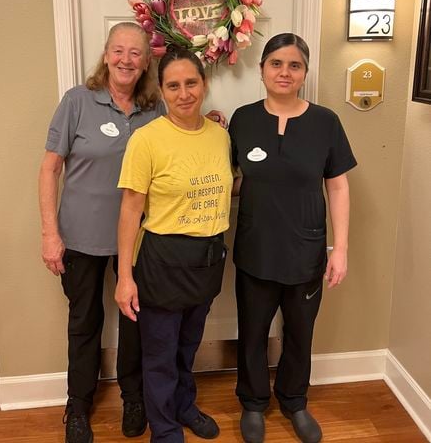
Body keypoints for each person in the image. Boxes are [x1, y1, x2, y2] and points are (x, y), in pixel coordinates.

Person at [39, 23, 225, 443]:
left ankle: (134, 398)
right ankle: (78, 406)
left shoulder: (155, 109)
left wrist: (210, 122)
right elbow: (49, 169)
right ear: (106, 55)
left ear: (145, 64)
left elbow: (182, 135)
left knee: (136, 324)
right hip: (82, 236)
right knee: (84, 322)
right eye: (118, 51)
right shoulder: (77, 101)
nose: (126, 59)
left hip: (140, 242)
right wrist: (50, 232)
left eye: (136, 53)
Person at [228, 33, 357, 443]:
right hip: (256, 248)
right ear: (262, 69)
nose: (285, 72)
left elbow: (338, 185)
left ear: (304, 73)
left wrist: (340, 249)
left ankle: (294, 400)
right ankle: (253, 403)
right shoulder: (243, 120)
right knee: (252, 331)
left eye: (294, 65)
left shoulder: (325, 122)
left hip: (305, 250)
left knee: (300, 333)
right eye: (276, 63)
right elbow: (229, 178)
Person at [115, 47, 233, 443]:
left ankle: (184, 406)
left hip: (207, 259)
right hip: (162, 261)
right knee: (161, 355)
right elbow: (130, 210)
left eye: (191, 83)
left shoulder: (220, 136)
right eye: (173, 86)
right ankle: (164, 430)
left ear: (205, 84)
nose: (184, 94)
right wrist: (125, 278)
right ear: (162, 91)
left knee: (187, 346)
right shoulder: (146, 140)